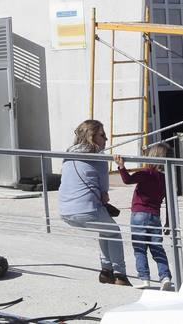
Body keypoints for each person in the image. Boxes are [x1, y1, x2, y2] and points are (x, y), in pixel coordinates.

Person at [59, 120, 130, 285]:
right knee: (114, 232)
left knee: (105, 230)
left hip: (64, 210)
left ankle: (106, 271)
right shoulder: (98, 157)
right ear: (91, 136)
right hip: (86, 211)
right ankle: (120, 274)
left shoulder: (68, 154)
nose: (106, 140)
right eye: (102, 135)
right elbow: (105, 195)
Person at [116, 145, 173, 290]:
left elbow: (127, 180)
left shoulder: (146, 173)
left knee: (139, 248)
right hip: (155, 217)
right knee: (157, 248)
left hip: (139, 215)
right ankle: (165, 277)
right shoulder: (164, 178)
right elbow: (169, 201)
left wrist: (121, 167)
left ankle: (144, 279)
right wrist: (168, 222)